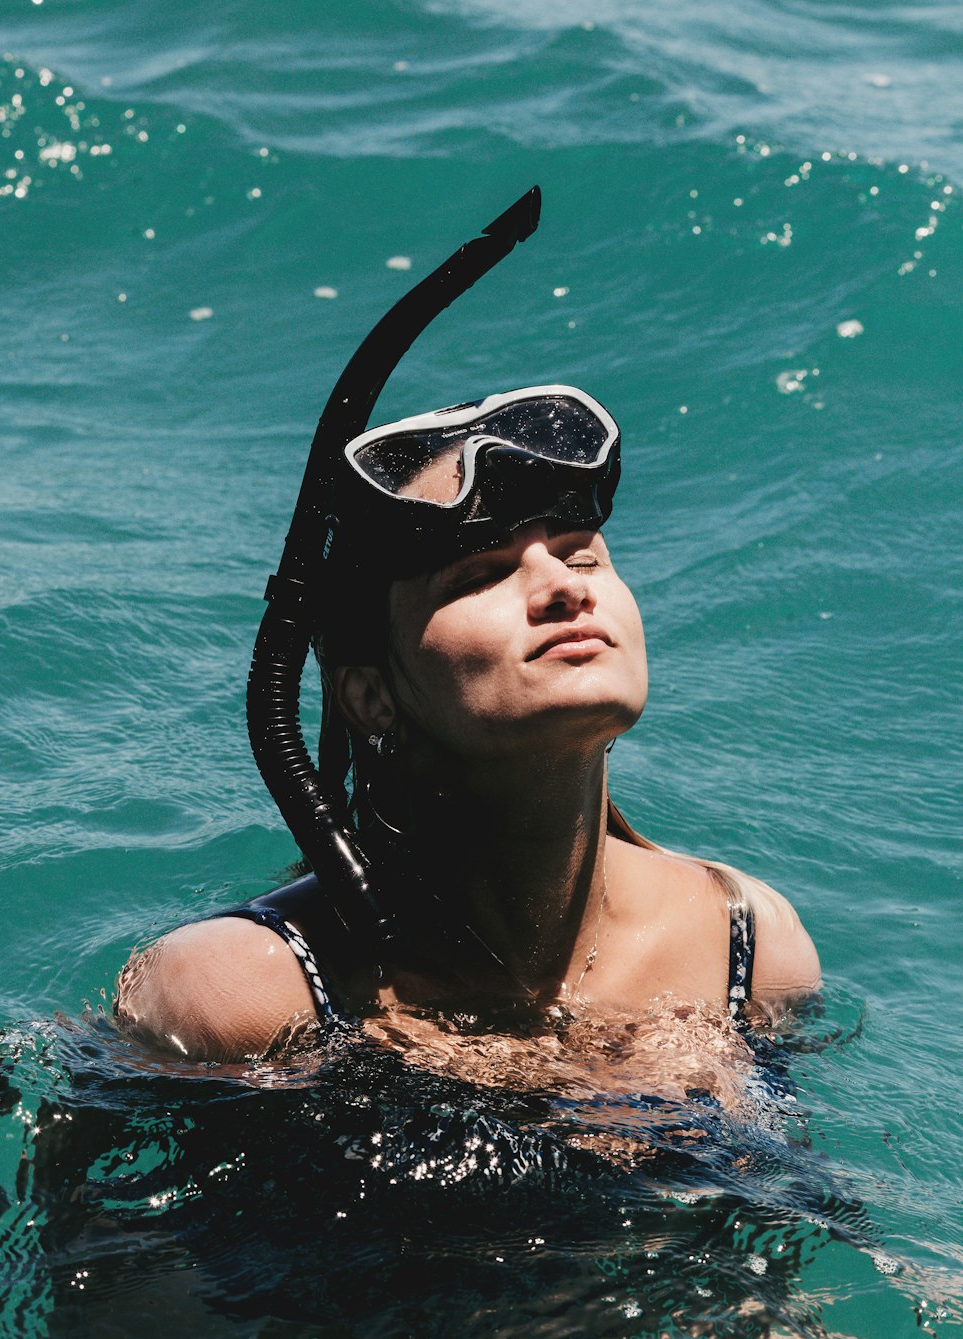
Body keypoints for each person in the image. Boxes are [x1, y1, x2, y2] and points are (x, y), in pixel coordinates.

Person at [115, 194, 819, 1105]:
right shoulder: (241, 996)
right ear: (370, 695)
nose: (565, 586)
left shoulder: (753, 948)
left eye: (581, 555)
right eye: (480, 577)